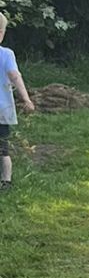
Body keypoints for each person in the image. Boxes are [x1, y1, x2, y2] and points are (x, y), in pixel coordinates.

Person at [0, 13, 36, 191]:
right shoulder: (6, 54)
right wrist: (26, 98)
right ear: (1, 33)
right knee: (3, 148)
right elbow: (15, 76)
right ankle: (6, 181)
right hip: (2, 110)